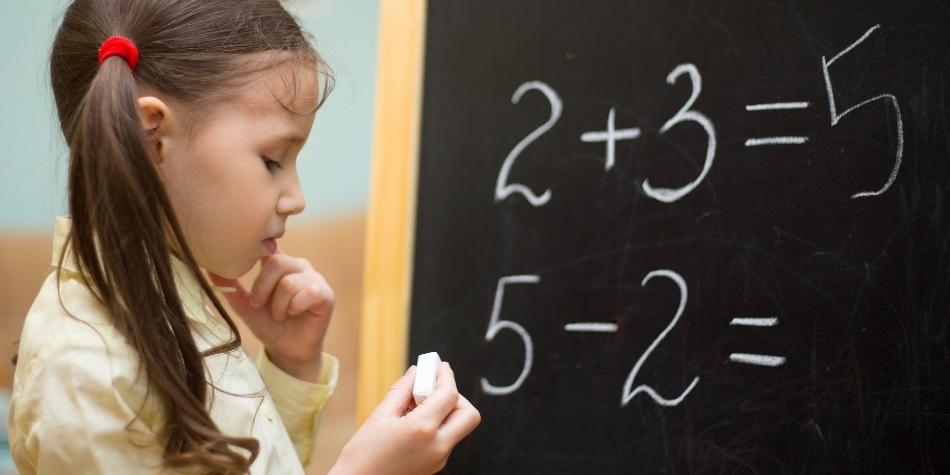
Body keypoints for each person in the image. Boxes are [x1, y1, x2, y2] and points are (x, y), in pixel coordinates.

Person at [6, 1, 480, 474]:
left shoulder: (173, 291)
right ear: (153, 138)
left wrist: (291, 365)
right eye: (273, 160)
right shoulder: (82, 372)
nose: (296, 198)